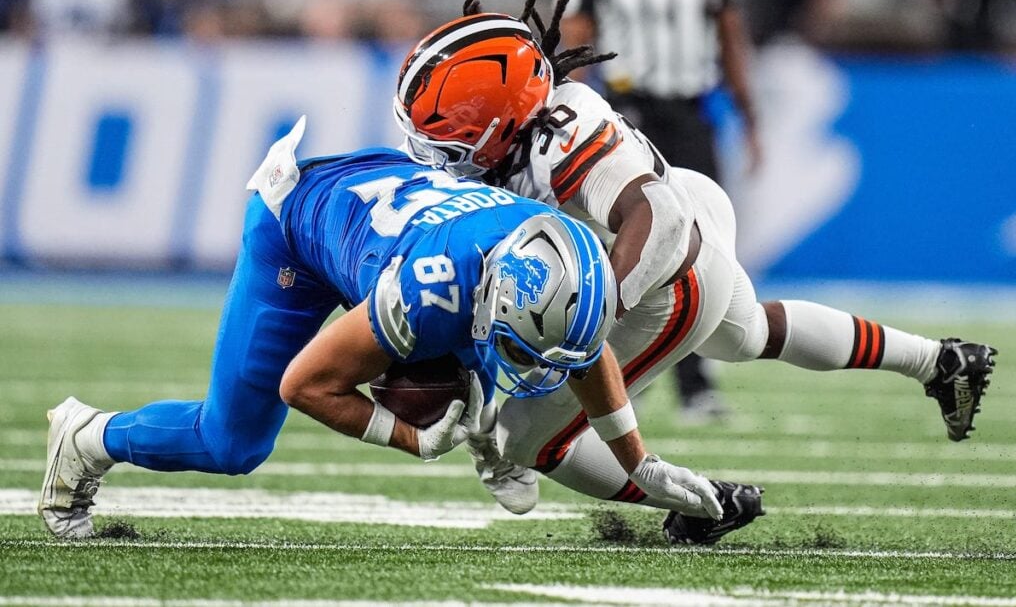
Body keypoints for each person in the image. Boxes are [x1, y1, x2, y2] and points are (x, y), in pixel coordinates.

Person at [392, 0, 997, 530]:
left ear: (499, 118)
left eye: (443, 134)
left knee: (523, 439)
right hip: (690, 205)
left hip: (670, 269)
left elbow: (659, 218)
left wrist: (601, 309)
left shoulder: (559, 143)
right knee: (746, 333)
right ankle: (939, 361)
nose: (431, 151)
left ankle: (702, 505)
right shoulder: (532, 127)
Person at [39, 117, 728, 540]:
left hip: (397, 214)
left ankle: (485, 424)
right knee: (231, 441)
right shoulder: (429, 293)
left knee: (487, 349)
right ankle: (86, 435)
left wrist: (639, 460)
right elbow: (305, 383)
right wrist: (408, 436)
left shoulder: (559, 260)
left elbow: (582, 344)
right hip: (297, 225)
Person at [553, 0, 764, 422]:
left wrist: (750, 115)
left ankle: (697, 384)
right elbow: (576, 38)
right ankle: (625, 373)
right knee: (632, 241)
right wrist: (564, 117)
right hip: (628, 114)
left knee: (704, 244)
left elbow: (730, 32)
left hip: (693, 112)